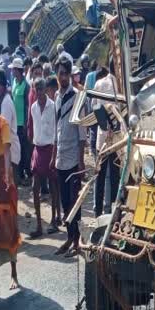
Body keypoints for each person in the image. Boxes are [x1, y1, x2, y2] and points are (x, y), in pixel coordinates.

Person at [54, 58, 87, 257]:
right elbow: (56, 129)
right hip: (60, 157)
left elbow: (82, 133)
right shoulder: (57, 97)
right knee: (65, 202)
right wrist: (53, 155)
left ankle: (77, 241)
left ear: (69, 75)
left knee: (75, 202)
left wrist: (82, 161)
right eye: (59, 73)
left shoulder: (77, 97)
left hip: (74, 157)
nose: (62, 77)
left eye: (65, 73)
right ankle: (69, 237)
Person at [0, 97, 21, 294]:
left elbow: (7, 150)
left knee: (10, 226)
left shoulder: (2, 123)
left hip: (2, 177)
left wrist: (7, 173)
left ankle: (14, 273)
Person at [28, 77, 60, 239]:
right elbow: (32, 128)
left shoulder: (53, 106)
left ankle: (54, 219)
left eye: (41, 89)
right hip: (37, 149)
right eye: (36, 89)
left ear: (46, 90)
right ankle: (39, 225)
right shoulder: (33, 107)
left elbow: (56, 132)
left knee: (54, 186)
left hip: (49, 148)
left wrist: (54, 154)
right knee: (35, 187)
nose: (39, 92)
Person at [92, 61, 119, 217]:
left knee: (99, 176)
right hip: (116, 138)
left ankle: (97, 213)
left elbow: (94, 107)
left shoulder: (99, 83)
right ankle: (114, 214)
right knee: (114, 176)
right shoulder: (120, 86)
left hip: (102, 137)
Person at [0, 68, 21, 182]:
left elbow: (4, 129)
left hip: (10, 150)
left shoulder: (6, 102)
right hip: (5, 150)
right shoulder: (1, 100)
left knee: (11, 186)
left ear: (2, 85)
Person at [11, 58, 31, 182]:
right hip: (14, 121)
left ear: (18, 70)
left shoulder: (26, 85)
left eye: (13, 69)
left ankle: (23, 173)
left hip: (21, 122)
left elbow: (27, 105)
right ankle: (18, 173)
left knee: (23, 149)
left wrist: (25, 123)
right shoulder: (14, 81)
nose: (12, 71)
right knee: (16, 148)